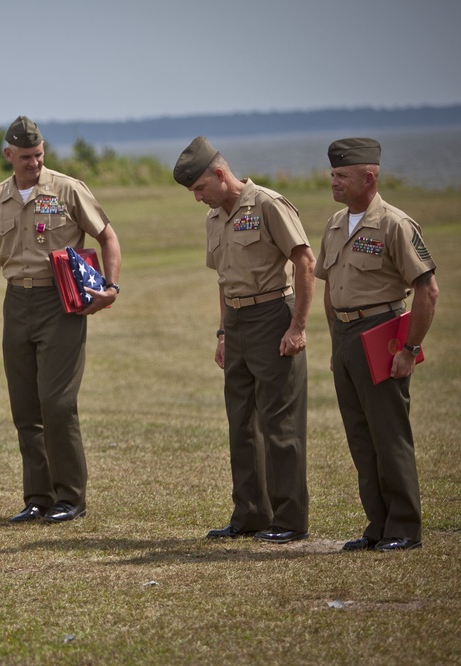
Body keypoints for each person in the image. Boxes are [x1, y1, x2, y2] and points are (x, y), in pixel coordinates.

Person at [0, 116, 121, 524]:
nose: (33, 163)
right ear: (8, 155)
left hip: (61, 302)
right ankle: (38, 497)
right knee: (26, 407)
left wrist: (111, 286)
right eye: (25, 157)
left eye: (38, 155)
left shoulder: (68, 190)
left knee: (57, 402)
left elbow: (107, 235)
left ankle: (70, 497)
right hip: (16, 302)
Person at [173, 136, 315, 544]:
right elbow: (223, 279)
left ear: (220, 173)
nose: (198, 198)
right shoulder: (215, 218)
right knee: (241, 423)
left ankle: (290, 519)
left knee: (280, 424)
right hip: (235, 321)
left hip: (273, 315)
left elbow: (305, 261)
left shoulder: (269, 204)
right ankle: (251, 514)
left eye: (200, 188)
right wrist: (222, 332)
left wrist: (298, 326)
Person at [314, 138, 439, 553]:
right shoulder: (334, 224)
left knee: (389, 435)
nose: (334, 180)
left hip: (382, 334)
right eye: (332, 173)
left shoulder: (395, 225)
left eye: (342, 175)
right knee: (361, 438)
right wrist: (335, 344)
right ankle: (378, 525)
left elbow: (428, 290)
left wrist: (409, 348)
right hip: (346, 337)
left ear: (369, 177)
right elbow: (330, 286)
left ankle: (404, 527)